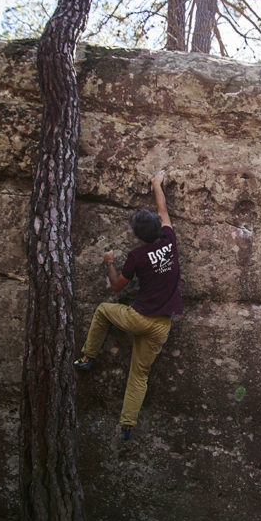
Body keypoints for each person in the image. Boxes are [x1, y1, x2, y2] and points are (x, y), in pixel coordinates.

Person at [74, 170, 183, 441]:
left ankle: (87, 357)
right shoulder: (170, 241)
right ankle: (127, 424)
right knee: (139, 374)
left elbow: (116, 287)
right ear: (158, 227)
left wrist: (109, 262)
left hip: (138, 318)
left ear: (137, 235)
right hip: (162, 326)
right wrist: (157, 183)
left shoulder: (136, 256)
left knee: (102, 310)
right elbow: (163, 209)